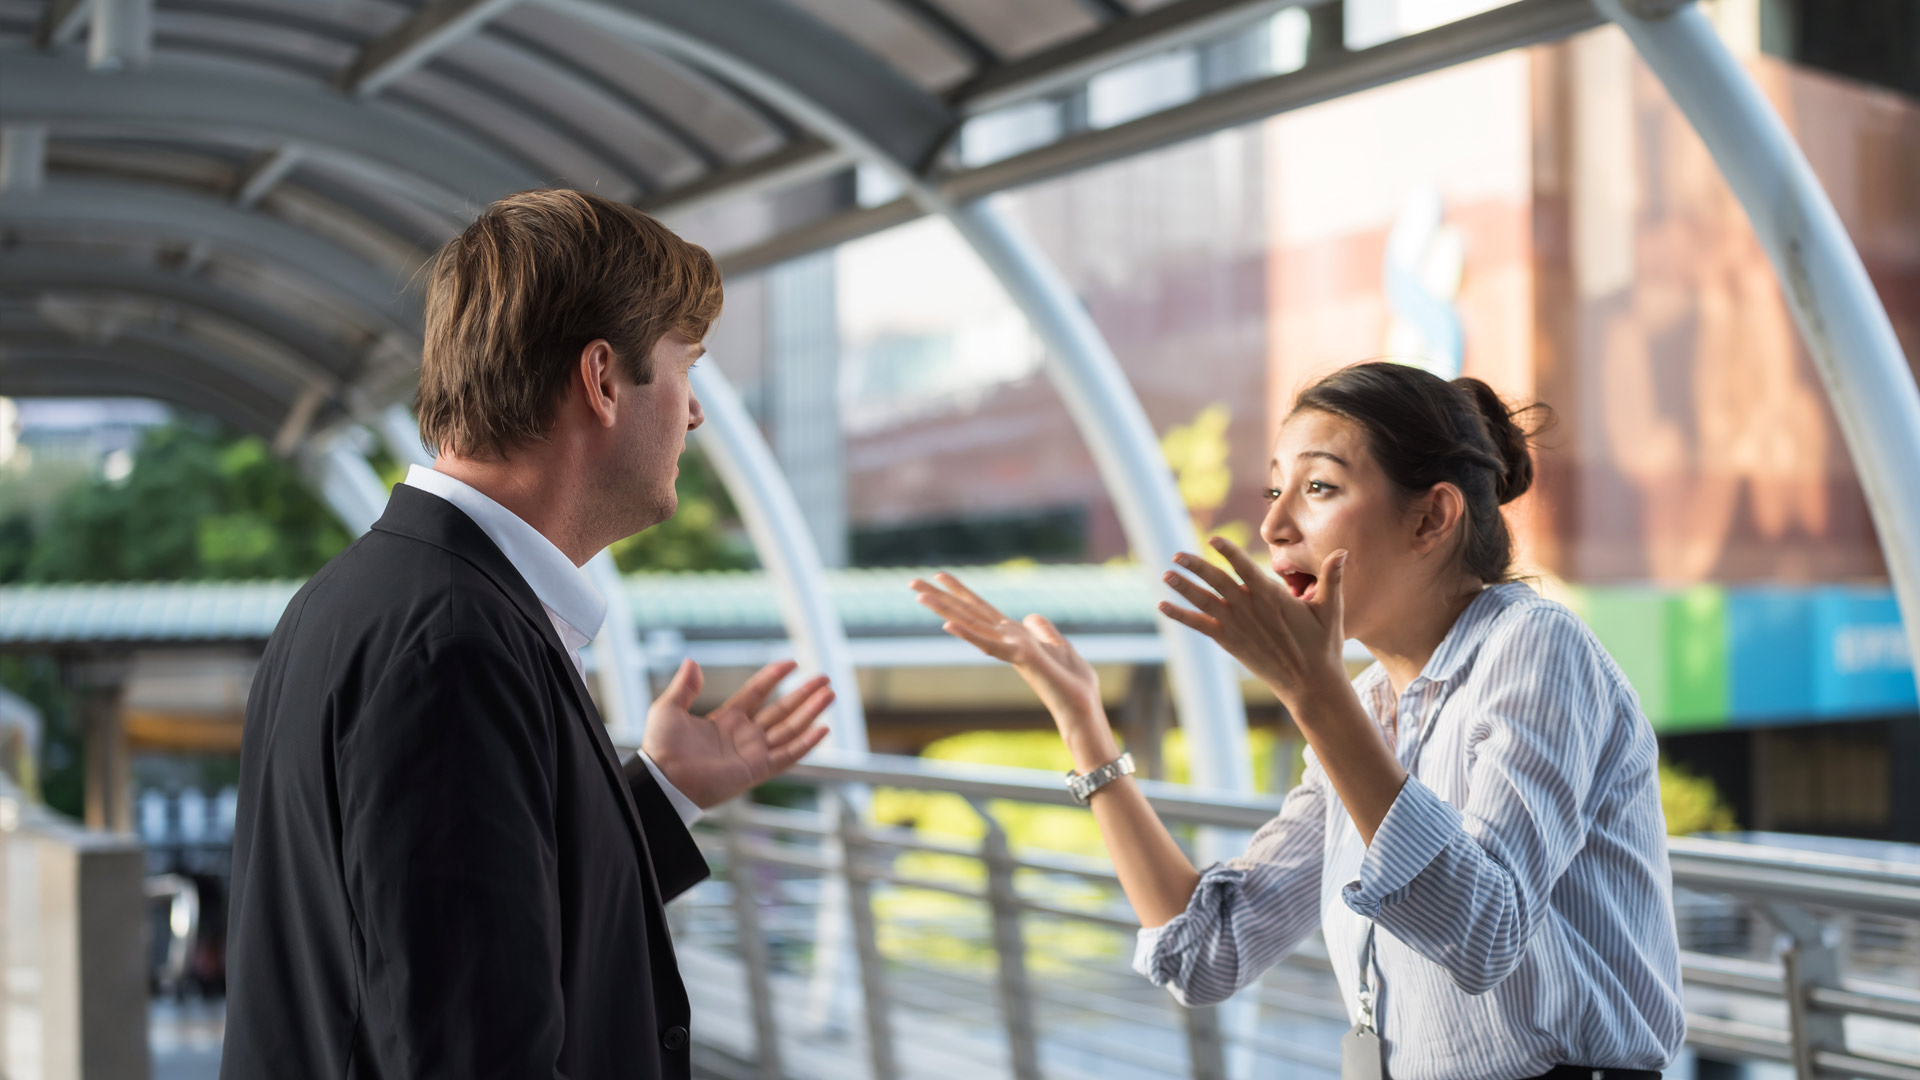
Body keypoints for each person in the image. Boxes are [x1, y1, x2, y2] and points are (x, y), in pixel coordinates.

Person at [912, 361, 1686, 1078]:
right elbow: (1210, 952)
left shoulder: (1536, 645)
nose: (1275, 526)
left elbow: (1485, 931)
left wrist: (1314, 697)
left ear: (1431, 520)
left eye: (1317, 488)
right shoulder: (1366, 707)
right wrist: (1083, 723)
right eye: (1272, 492)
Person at [221, 189, 834, 1080]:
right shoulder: (453, 647)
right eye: (685, 367)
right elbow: (470, 1047)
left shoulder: (369, 599)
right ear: (601, 380)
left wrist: (657, 796)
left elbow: (454, 938)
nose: (695, 414)